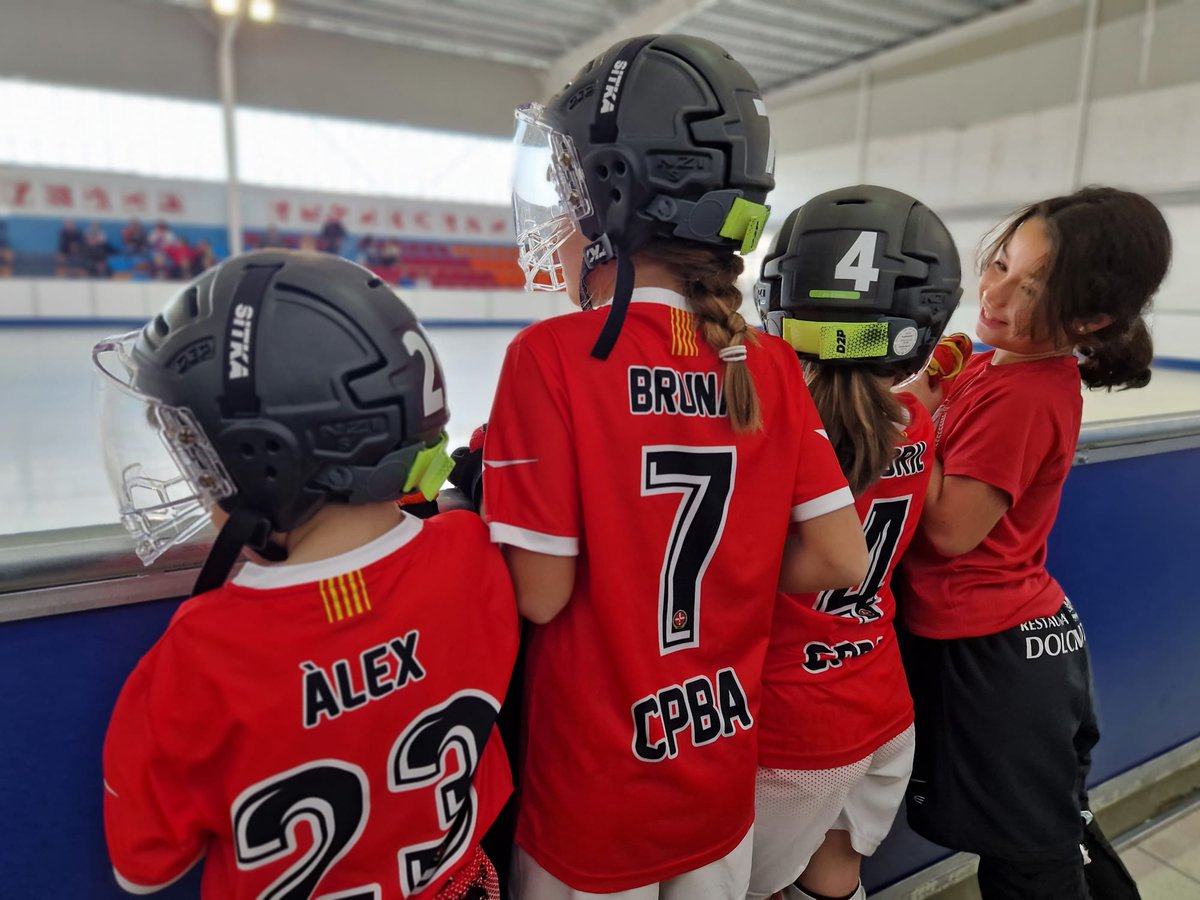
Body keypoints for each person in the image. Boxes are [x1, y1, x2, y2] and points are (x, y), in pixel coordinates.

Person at [485, 34, 869, 899]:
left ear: (616, 191)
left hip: (596, 793)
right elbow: (844, 559)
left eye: (573, 181)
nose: (563, 202)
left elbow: (540, 592)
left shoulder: (552, 358)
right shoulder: (765, 362)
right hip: (717, 775)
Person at [95, 250, 518, 898]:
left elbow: (145, 865)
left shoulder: (199, 655)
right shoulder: (473, 557)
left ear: (264, 462)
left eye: (197, 453)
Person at [897, 186, 1172, 900]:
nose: (996, 293)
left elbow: (952, 529)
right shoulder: (991, 364)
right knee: (1043, 835)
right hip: (1000, 641)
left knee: (1032, 858)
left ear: (1089, 318)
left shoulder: (1025, 393)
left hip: (994, 654)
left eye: (1032, 287)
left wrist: (912, 427)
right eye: (1001, 265)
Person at [747, 185, 962, 900]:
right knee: (836, 880)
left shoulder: (769, 433)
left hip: (788, 721)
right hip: (878, 705)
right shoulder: (917, 422)